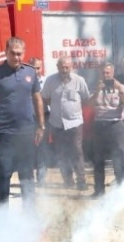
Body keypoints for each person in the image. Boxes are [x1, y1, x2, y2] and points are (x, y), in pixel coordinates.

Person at [0, 37, 44, 208]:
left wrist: (40, 125)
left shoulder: (30, 73)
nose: (16, 57)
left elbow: (38, 99)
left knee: (27, 177)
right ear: (6, 52)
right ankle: (1, 220)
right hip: (4, 133)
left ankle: (29, 218)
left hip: (26, 133)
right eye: (13, 53)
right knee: (3, 176)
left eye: (19, 54)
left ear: (24, 54)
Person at [41, 55, 90, 190]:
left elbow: (86, 99)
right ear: (57, 67)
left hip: (74, 123)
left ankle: (81, 181)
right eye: (62, 67)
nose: (64, 69)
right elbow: (44, 98)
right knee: (61, 154)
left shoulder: (79, 81)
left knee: (76, 152)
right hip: (56, 124)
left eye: (67, 67)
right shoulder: (50, 81)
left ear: (71, 67)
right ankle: (68, 181)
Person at [89, 62, 124, 196]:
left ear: (112, 73)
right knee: (98, 159)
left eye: (107, 73)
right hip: (99, 125)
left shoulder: (120, 87)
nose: (105, 75)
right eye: (103, 73)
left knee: (119, 158)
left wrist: (120, 89)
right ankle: (99, 190)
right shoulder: (94, 86)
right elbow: (89, 105)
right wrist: (97, 91)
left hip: (116, 125)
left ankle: (122, 190)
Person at [30, 57, 52, 186]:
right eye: (33, 68)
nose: (35, 70)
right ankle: (29, 179)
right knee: (29, 148)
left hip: (44, 116)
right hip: (29, 117)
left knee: (42, 147)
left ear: (41, 68)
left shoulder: (46, 82)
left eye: (38, 68)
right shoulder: (24, 81)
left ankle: (41, 178)